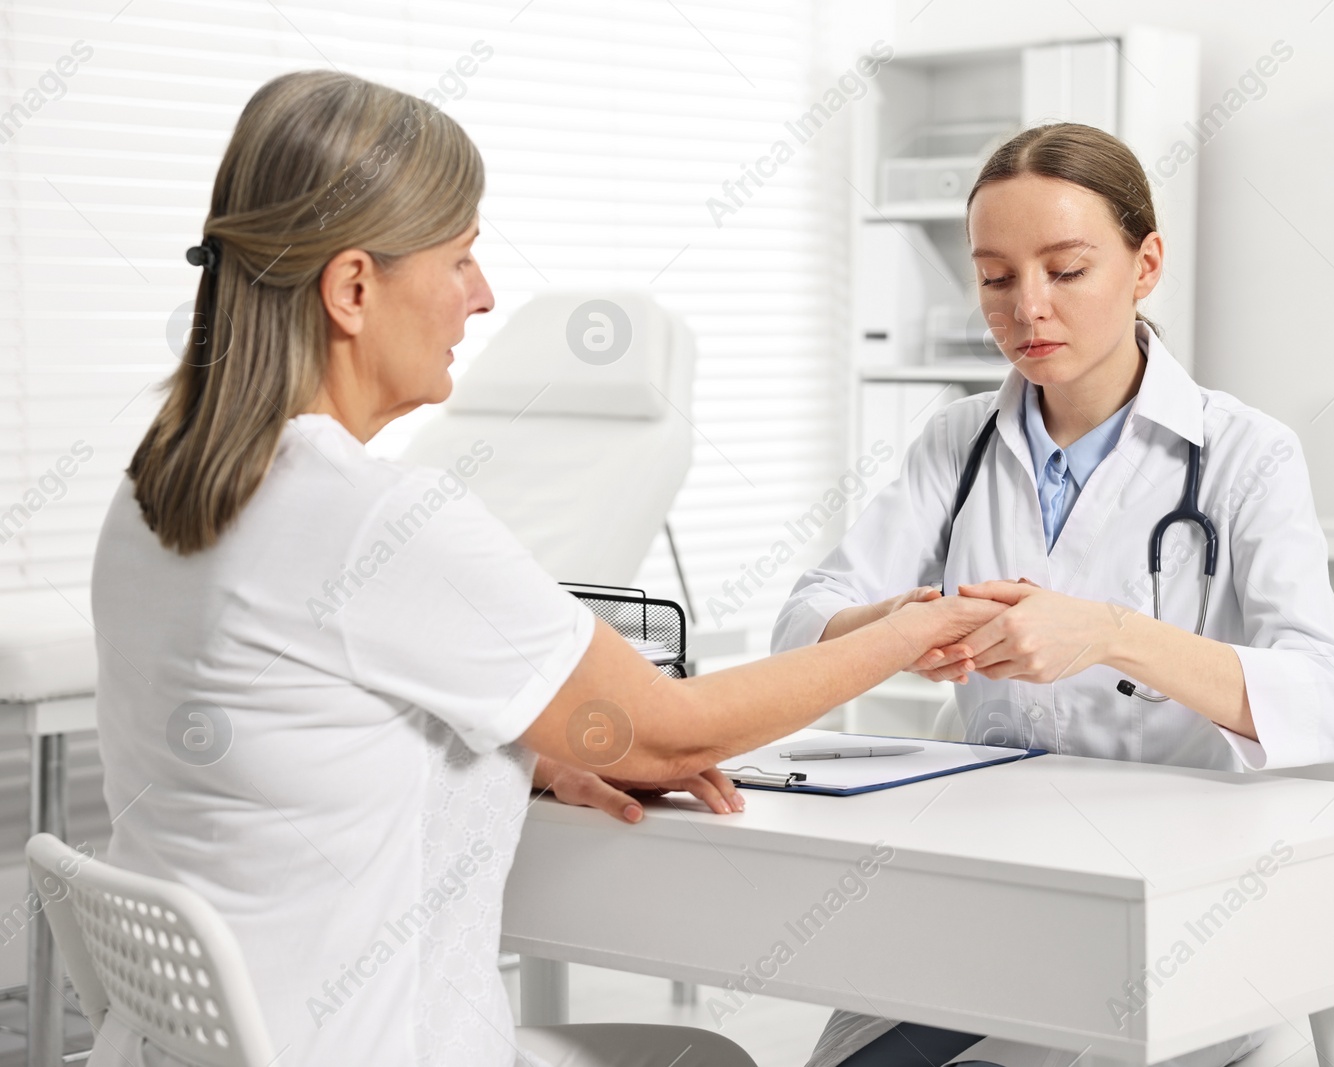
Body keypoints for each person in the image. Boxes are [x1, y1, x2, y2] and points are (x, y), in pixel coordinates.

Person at [89, 70, 1001, 1067]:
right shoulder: (379, 521)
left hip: (203, 1047)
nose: (481, 297)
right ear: (354, 287)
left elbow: (285, 746)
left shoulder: (152, 493)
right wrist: (909, 631)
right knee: (710, 1056)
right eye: (461, 258)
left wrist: (521, 752)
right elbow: (670, 733)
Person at [773, 123, 1334, 1067]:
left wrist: (1112, 634)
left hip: (1172, 899)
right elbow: (807, 619)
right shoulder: (953, 442)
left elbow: (1332, 700)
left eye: (1066, 269)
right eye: (998, 277)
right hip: (986, 883)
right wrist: (896, 626)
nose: (1028, 309)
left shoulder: (1247, 455)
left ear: (1145, 265)